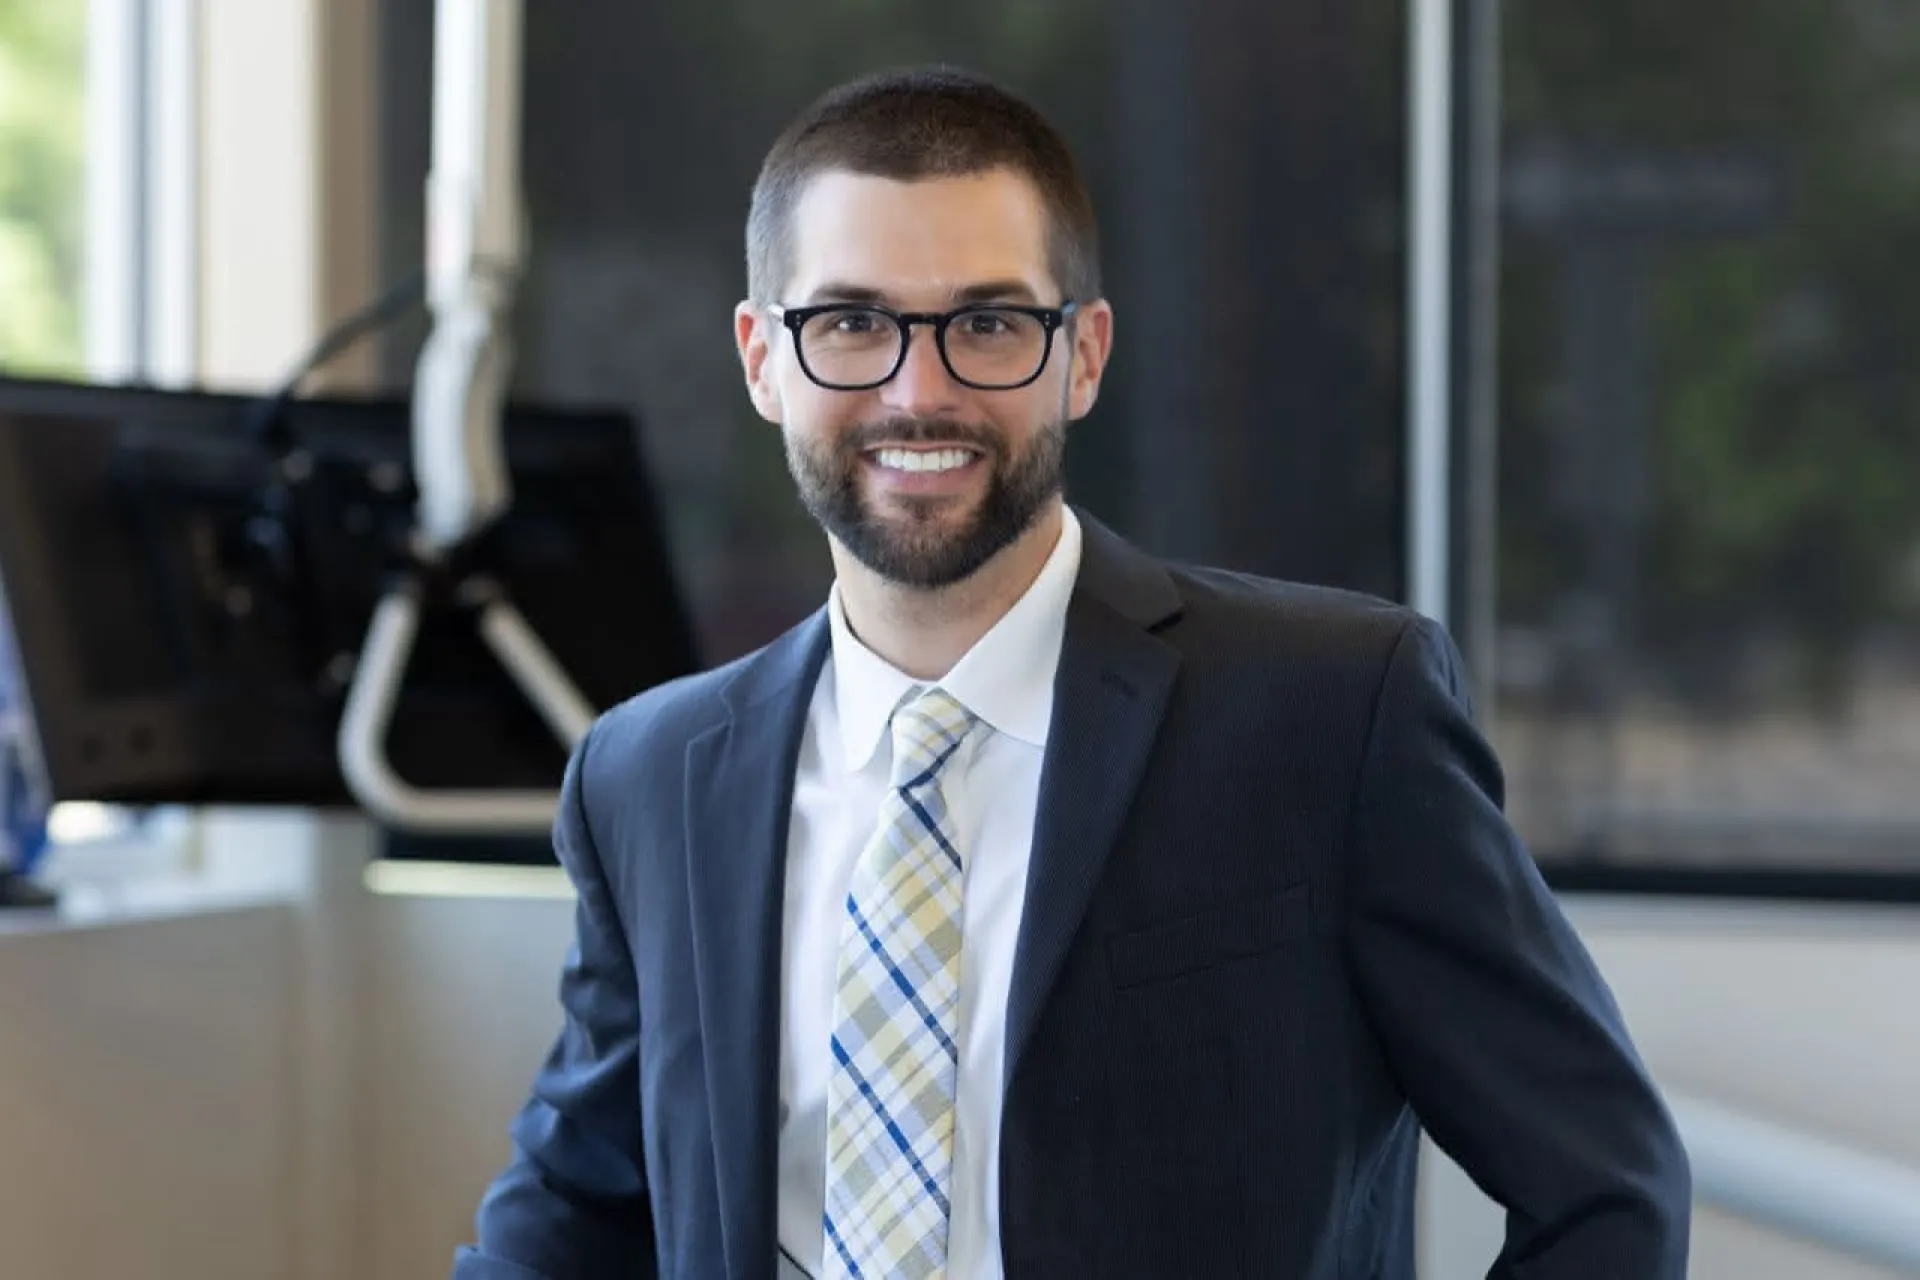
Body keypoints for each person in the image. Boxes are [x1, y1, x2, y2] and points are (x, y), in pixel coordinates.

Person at [456, 65, 1690, 1280]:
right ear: (762, 359)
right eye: (849, 323)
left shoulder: (1333, 711)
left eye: (989, 322)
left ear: (1083, 354)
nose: (917, 388)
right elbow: (575, 1203)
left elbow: (1604, 1187)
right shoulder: (649, 773)